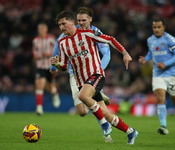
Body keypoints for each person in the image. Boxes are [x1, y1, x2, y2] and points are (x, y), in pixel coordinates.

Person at [50, 11, 139, 145]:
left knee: (83, 96)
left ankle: (104, 125)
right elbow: (63, 66)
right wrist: (56, 64)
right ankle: (130, 132)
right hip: (80, 81)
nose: (61, 27)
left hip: (95, 75)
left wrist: (125, 53)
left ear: (72, 22)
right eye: (59, 25)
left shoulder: (87, 34)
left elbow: (110, 39)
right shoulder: (62, 42)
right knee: (106, 113)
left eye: (64, 23)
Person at [50, 7, 113, 143]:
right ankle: (99, 97)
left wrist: (98, 70)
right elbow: (57, 45)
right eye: (79, 21)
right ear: (75, 21)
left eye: (84, 20)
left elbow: (107, 53)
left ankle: (107, 134)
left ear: (90, 20)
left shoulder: (94, 32)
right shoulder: (66, 33)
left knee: (95, 104)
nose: (82, 23)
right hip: (75, 74)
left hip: (92, 73)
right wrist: (52, 66)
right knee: (83, 112)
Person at [138, 18, 175, 135]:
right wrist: (145, 59)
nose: (156, 29)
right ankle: (163, 126)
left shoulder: (170, 40)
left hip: (171, 75)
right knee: (160, 97)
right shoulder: (150, 40)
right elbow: (151, 53)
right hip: (158, 75)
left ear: (164, 27)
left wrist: (165, 64)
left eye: (159, 27)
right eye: (154, 27)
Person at [32, 22, 61, 115]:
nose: (40, 30)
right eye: (39, 29)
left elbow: (58, 50)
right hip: (40, 66)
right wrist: (36, 56)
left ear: (46, 29)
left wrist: (50, 54)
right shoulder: (35, 40)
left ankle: (55, 93)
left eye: (42, 28)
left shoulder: (52, 39)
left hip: (50, 66)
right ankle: (39, 108)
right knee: (40, 84)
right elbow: (34, 53)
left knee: (50, 88)